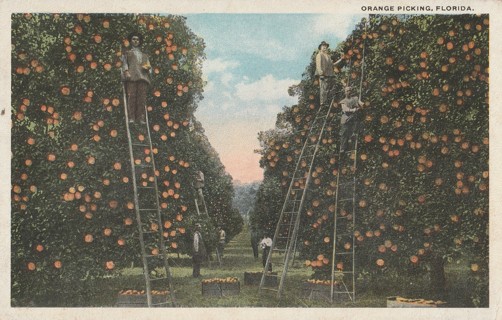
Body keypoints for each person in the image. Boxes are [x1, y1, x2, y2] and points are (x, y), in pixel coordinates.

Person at [122, 32, 151, 124]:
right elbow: (124, 63)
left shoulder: (145, 55)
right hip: (132, 77)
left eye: (137, 39)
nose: (135, 41)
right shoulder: (127, 53)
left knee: (141, 99)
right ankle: (131, 117)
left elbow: (149, 66)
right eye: (134, 39)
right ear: (131, 41)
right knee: (131, 97)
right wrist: (126, 72)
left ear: (140, 42)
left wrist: (148, 68)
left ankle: (141, 118)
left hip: (143, 78)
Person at [315, 41, 342, 107]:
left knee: (331, 89)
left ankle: (329, 101)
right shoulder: (319, 55)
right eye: (323, 46)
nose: (325, 47)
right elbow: (318, 65)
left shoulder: (328, 56)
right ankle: (323, 103)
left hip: (330, 74)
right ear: (320, 47)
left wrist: (341, 59)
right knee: (323, 89)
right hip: (323, 75)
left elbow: (332, 65)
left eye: (325, 46)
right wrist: (321, 73)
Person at [339, 86, 364, 153]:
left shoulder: (355, 98)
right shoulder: (343, 101)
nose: (348, 92)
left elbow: (361, 103)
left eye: (349, 90)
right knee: (344, 134)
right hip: (346, 118)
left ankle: (352, 144)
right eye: (347, 91)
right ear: (345, 92)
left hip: (353, 118)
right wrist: (353, 110)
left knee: (354, 131)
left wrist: (361, 105)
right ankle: (343, 148)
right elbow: (345, 109)